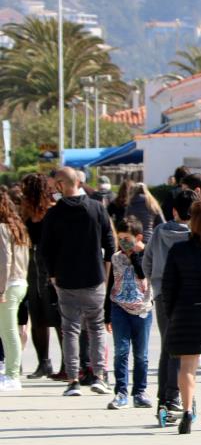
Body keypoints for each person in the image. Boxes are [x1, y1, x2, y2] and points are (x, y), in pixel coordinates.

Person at [40, 167, 115, 397]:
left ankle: (73, 379)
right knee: (96, 328)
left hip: (65, 279)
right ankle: (99, 376)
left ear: (62, 184)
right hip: (94, 277)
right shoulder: (96, 208)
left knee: (70, 330)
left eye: (54, 186)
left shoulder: (54, 214)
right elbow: (110, 244)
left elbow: (45, 250)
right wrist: (105, 271)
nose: (53, 191)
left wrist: (52, 275)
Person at [164, 201, 201, 434]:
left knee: (187, 366)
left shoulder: (179, 251)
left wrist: (173, 315)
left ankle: (187, 411)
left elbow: (169, 287)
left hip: (185, 313)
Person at [143, 189, 198, 420]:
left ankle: (164, 399)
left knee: (168, 347)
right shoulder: (195, 236)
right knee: (185, 350)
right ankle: (177, 396)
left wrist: (155, 283)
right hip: (188, 297)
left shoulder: (158, 232)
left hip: (162, 296)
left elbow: (146, 262)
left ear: (173, 211)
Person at [103, 217, 153, 409]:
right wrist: (107, 314)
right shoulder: (116, 258)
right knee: (121, 351)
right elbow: (110, 285)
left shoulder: (147, 254)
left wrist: (135, 255)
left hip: (142, 310)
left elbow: (142, 274)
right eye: (120, 238)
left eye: (127, 239)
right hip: (119, 308)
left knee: (141, 355)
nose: (123, 242)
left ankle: (139, 392)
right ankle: (121, 392)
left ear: (138, 237)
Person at [19, 174, 62, 380]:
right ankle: (43, 362)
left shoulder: (53, 210)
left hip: (50, 267)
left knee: (57, 316)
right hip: (31, 267)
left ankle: (66, 364)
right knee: (36, 317)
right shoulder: (25, 213)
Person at [0, 193, 29, 391]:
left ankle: (12, 375)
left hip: (9, 285)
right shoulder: (18, 227)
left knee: (8, 332)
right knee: (9, 331)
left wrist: (1, 288)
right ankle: (11, 372)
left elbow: (5, 260)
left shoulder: (2, 228)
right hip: (20, 282)